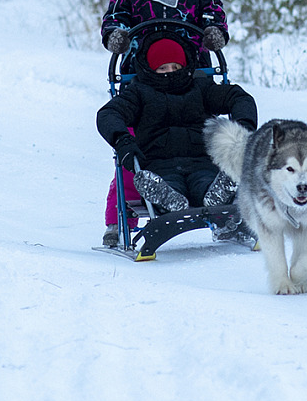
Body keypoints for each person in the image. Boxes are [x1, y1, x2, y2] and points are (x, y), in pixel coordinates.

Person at [99, 0, 230, 234]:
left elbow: (212, 11)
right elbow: (115, 15)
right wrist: (116, 35)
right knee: (137, 144)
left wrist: (214, 30)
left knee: (199, 138)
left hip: (193, 71)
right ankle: (123, 216)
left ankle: (215, 201)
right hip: (141, 74)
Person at [97, 33, 257, 246]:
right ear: (151, 68)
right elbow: (108, 114)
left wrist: (243, 127)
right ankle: (168, 202)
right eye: (163, 68)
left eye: (175, 67)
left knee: (205, 185)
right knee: (168, 187)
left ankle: (218, 195)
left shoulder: (201, 87)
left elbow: (239, 97)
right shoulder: (138, 93)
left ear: (184, 66)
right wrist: (123, 140)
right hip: (159, 165)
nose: (170, 73)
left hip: (201, 162)